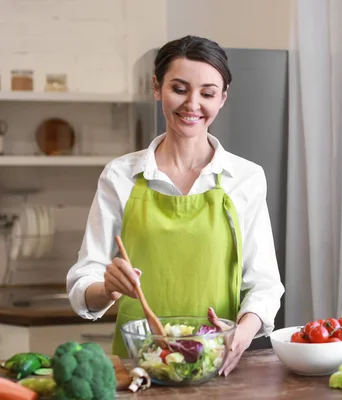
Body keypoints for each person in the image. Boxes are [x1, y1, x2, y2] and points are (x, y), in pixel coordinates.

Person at [66, 35, 285, 376]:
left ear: (223, 98)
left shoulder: (245, 178)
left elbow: (265, 284)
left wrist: (240, 335)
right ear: (157, 87)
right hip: (139, 366)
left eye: (208, 93)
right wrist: (107, 288)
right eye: (179, 89)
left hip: (216, 363)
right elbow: (83, 285)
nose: (192, 104)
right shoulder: (120, 176)